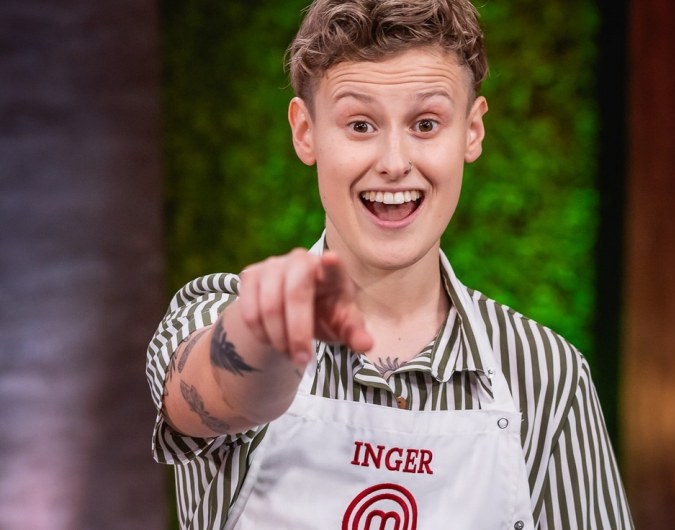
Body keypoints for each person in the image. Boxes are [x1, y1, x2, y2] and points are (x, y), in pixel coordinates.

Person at [146, 0, 634, 528]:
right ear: (305, 131)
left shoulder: (548, 374)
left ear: (472, 131)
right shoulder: (212, 312)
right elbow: (217, 392)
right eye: (360, 125)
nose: (395, 162)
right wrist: (261, 339)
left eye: (425, 124)